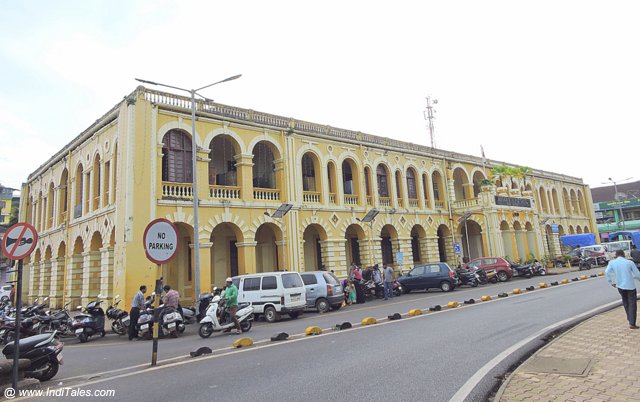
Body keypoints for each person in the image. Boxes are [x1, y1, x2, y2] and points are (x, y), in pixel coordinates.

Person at [605, 249, 640, 329]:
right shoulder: (629, 262)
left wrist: (611, 282)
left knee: (625, 302)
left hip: (620, 286)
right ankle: (632, 323)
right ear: (624, 254)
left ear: (616, 255)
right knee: (632, 304)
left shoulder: (612, 262)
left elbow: (607, 272)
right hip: (630, 287)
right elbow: (637, 274)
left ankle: (629, 319)